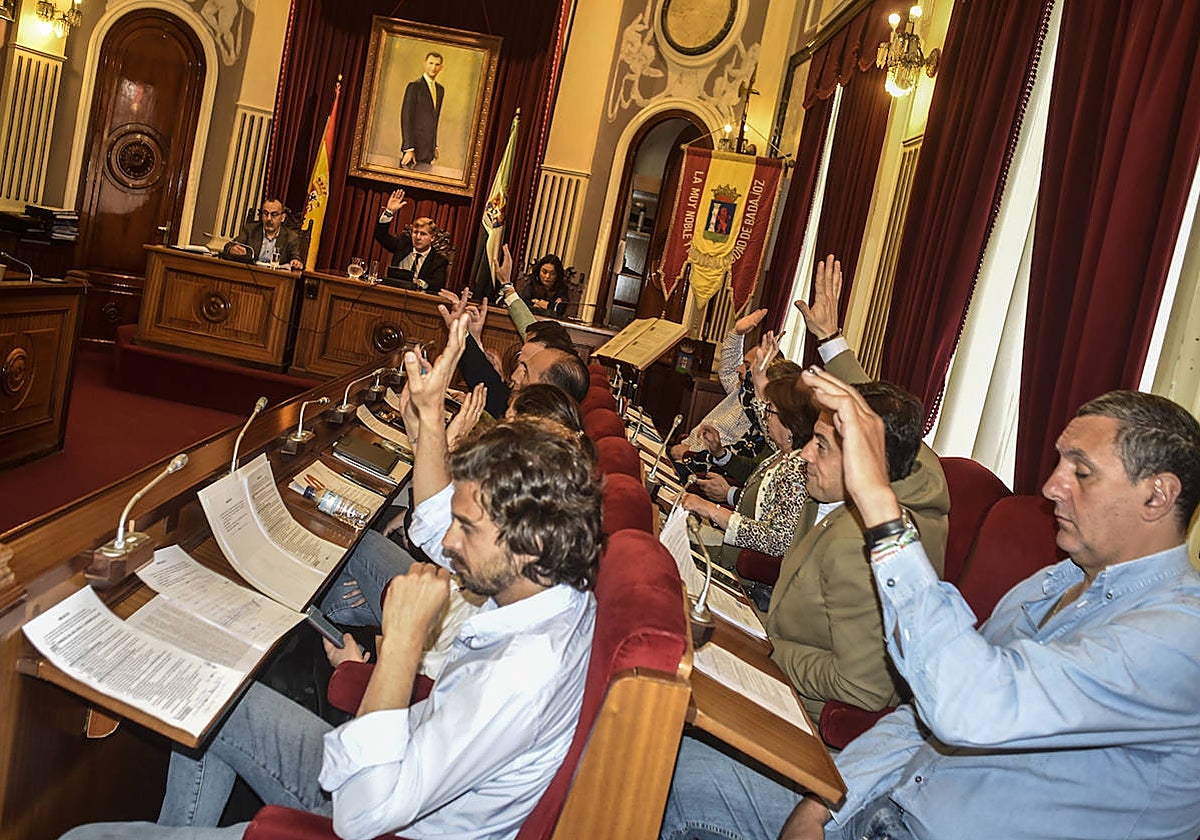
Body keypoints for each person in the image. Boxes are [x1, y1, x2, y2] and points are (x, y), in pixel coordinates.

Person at [60, 315, 603, 840]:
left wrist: (402, 646)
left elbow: (362, 814)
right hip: (400, 754)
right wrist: (430, 420)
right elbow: (438, 523)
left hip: (377, 805)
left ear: (527, 539)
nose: (449, 544)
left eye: (467, 529)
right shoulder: (550, 583)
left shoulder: (514, 679)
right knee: (216, 694)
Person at [661, 378, 1200, 840]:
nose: (1052, 486)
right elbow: (919, 718)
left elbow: (967, 707)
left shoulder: (1178, 636)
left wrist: (878, 505)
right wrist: (824, 802)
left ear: (1157, 497)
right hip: (879, 807)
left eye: (1081, 472)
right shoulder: (1051, 582)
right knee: (661, 759)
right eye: (1059, 462)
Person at [679, 372, 815, 570]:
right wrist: (759, 374)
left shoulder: (797, 469)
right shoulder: (782, 453)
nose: (765, 416)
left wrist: (711, 509)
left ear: (791, 423)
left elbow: (777, 540)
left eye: (770, 411)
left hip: (739, 571)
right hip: (729, 550)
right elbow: (761, 411)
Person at [670, 307, 769, 463]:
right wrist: (737, 333)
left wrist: (690, 453)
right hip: (686, 449)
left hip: (696, 463)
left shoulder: (760, 413)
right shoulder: (743, 391)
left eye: (747, 365)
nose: (739, 368)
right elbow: (728, 371)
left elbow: (725, 454)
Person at [374, 188, 448, 292]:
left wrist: (419, 283)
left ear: (432, 237)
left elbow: (437, 284)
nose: (417, 237)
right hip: (392, 292)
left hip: (417, 299)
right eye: (415, 232)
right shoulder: (403, 244)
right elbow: (380, 235)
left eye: (423, 234)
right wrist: (389, 211)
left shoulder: (439, 260)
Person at [223, 197, 303, 269]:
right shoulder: (250, 230)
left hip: (275, 279)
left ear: (282, 217)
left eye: (274, 215)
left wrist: (295, 262)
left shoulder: (291, 237)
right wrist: (231, 250)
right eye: (265, 213)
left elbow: (295, 258)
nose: (268, 219)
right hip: (250, 273)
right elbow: (228, 246)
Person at [400, 51, 444, 171]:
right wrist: (409, 148)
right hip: (413, 150)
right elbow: (406, 118)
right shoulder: (414, 87)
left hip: (428, 150)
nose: (433, 67)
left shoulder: (440, 90)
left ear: (441, 67)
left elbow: (433, 120)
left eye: (437, 64)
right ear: (425, 64)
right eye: (431, 63)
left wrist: (434, 145)